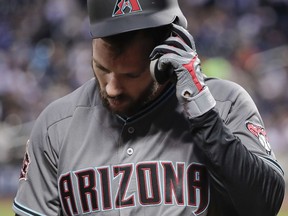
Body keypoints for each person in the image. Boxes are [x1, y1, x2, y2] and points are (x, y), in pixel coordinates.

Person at [13, 0, 285, 215]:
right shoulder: (56, 124)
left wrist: (201, 110)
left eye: (131, 75)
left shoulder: (226, 103)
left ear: (168, 52)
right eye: (102, 69)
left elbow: (264, 205)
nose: (111, 87)